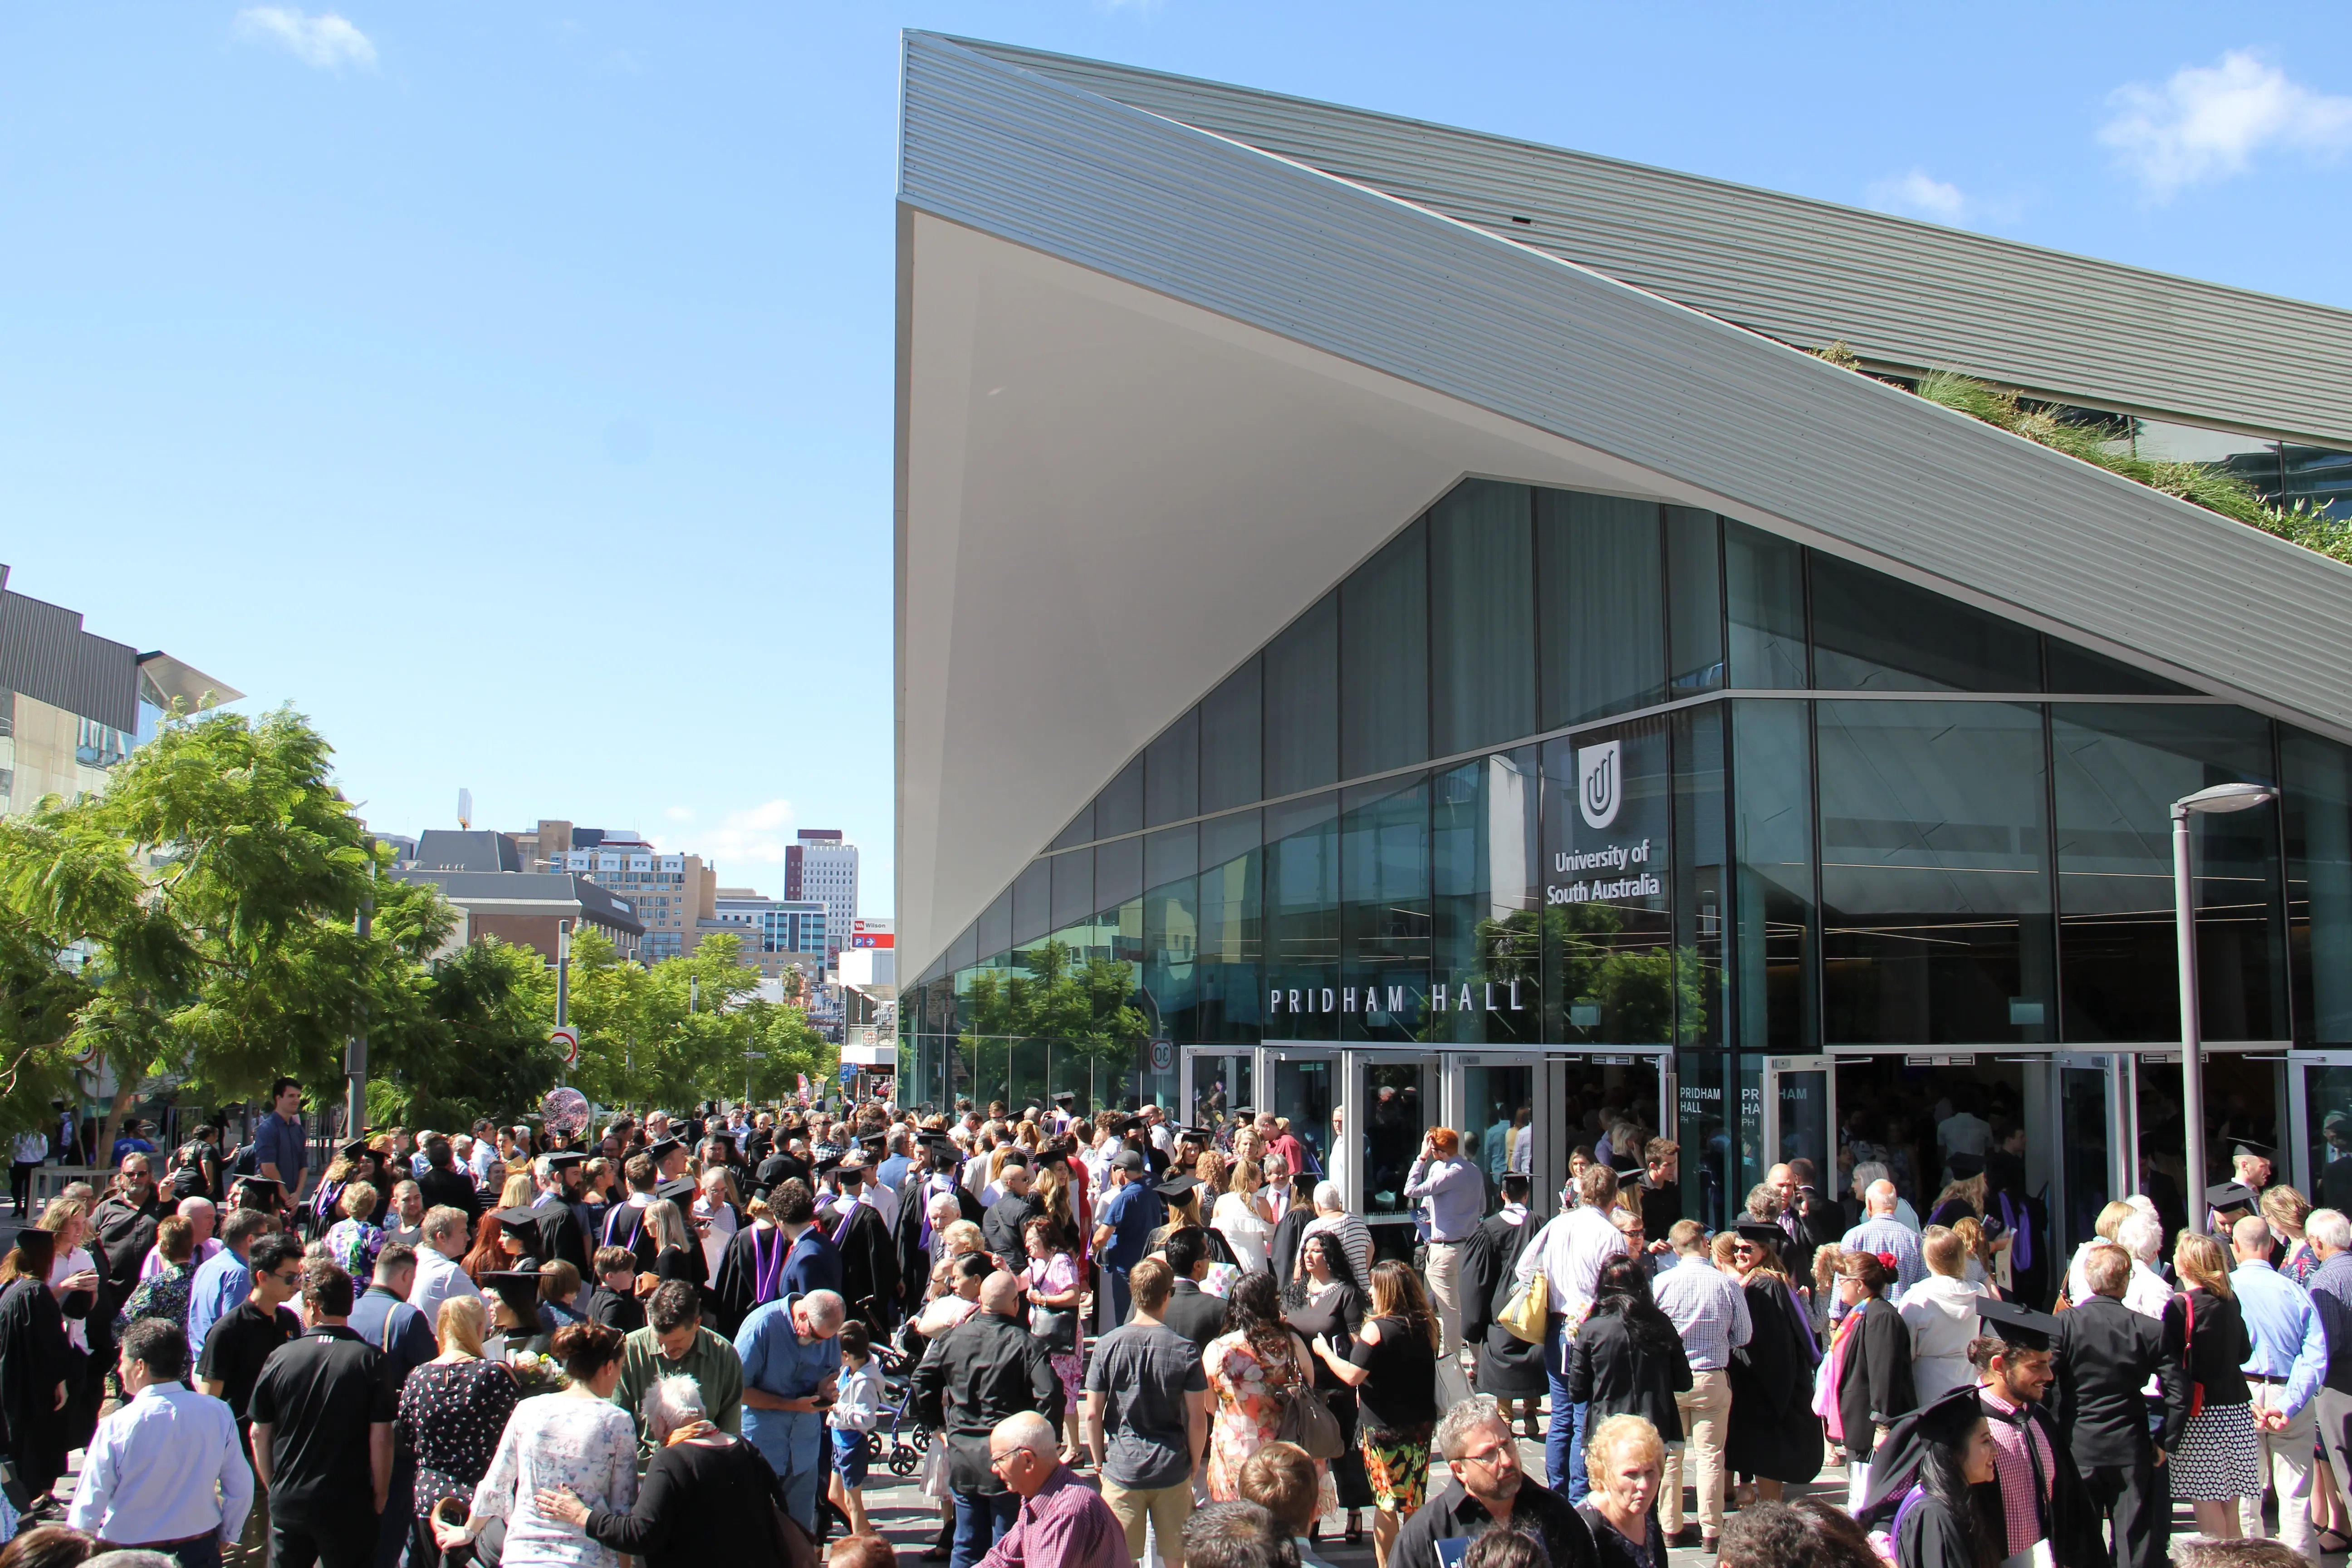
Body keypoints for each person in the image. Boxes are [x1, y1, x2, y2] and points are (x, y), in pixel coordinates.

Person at [529, 1372, 794, 1568]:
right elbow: (781, 1506)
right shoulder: (745, 1449)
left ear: (663, 1423)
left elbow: (641, 1534)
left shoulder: (672, 1460)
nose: (655, 1436)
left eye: (653, 1428)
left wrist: (583, 1515)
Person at [431, 1322, 636, 1568]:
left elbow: (498, 1479)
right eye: (620, 1367)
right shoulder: (617, 1422)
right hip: (585, 1558)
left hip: (523, 1555)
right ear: (609, 1367)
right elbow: (622, 1507)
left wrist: (469, 1531)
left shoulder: (528, 1409)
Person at [245, 1261, 397, 1568]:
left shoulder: (280, 1357)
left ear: (312, 1305)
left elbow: (259, 1431)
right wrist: (381, 1493)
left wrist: (274, 1485)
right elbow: (381, 1435)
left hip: (290, 1498)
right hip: (348, 1502)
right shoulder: (370, 1360)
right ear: (350, 1305)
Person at [65, 1319, 252, 1568]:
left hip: (129, 1556)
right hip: (198, 1548)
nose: (120, 1370)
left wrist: (78, 1554)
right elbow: (240, 1486)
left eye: (124, 1361)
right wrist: (229, 1534)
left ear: (140, 1366)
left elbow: (90, 1501)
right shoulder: (217, 1412)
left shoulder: (118, 1425)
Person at [912, 1271, 1064, 1568]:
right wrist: (1047, 1446)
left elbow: (921, 1381)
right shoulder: (1027, 1344)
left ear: (980, 1301)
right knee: (1008, 1544)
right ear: (1015, 1304)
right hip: (1011, 1458)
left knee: (967, 1543)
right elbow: (1050, 1395)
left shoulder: (953, 1339)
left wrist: (936, 1426)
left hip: (964, 1453)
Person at [1084, 1257, 1210, 1568]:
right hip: (1172, 1465)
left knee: (1120, 1558)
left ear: (1133, 1293)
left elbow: (1092, 1413)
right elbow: (1198, 1417)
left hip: (1123, 1467)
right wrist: (1194, 1463)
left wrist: (1099, 1460)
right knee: (1178, 1559)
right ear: (1168, 1295)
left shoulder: (1107, 1345)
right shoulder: (1185, 1349)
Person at [1313, 1260, 1439, 1568]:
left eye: (1374, 1286)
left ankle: (1388, 1565)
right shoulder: (1426, 1324)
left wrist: (1325, 1353)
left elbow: (1353, 1374)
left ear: (1387, 1291)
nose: (1370, 1292)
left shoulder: (1376, 1329)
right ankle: (1414, 1561)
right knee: (1413, 1500)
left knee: (1386, 1502)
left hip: (1383, 1429)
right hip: (1419, 1425)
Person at [1514, 1163, 1629, 1499]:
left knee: (1562, 1414)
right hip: (1590, 1324)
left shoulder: (1559, 1224)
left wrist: (1552, 1286)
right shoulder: (1609, 1234)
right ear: (1613, 1196)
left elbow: (1524, 1268)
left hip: (1556, 1324)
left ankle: (1558, 1490)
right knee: (1583, 1414)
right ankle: (1579, 1495)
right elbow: (1617, 1287)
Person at [195, 1233, 303, 1568]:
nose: (296, 1285)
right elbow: (208, 1398)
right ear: (262, 1276)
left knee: (277, 1542)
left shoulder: (288, 1322)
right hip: (242, 1453)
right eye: (289, 1277)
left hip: (283, 1448)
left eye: (299, 1276)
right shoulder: (229, 1330)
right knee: (246, 1546)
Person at [2224, 1211, 2325, 1558]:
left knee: (2247, 1496)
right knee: (2296, 1495)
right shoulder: (2295, 1291)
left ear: (2236, 1247)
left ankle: (2253, 1564)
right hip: (2288, 1390)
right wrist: (2288, 1404)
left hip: (2244, 1393)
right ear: (2270, 1247)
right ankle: (2302, 1564)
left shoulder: (2227, 1290)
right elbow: (2314, 1355)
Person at [1648, 1220, 1749, 1551]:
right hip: (1712, 1374)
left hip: (1672, 1378)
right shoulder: (1726, 1284)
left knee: (1672, 1455)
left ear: (1676, 1250)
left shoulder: (1661, 1283)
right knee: (1710, 1456)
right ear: (1705, 1244)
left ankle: (1671, 1528)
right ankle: (1712, 1530)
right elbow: (1745, 1336)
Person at [398, 1297, 518, 1568]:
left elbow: (407, 1436)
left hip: (428, 1499)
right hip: (480, 1506)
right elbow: (514, 1439)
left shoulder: (417, 1377)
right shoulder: (493, 1374)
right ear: (478, 1330)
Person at [2162, 1230, 2258, 1540]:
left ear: (2187, 1265)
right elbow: (2245, 1352)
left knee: (2205, 1499)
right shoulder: (2230, 1302)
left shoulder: (2180, 1305)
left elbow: (2170, 1363)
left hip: (2200, 1414)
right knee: (2231, 1504)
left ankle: (2216, 1562)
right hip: (2237, 1413)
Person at [735, 1286, 846, 1534]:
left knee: (799, 1533)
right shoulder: (762, 1327)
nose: (817, 1343)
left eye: (824, 1339)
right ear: (802, 1315)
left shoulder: (826, 1335)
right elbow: (737, 1390)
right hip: (763, 1445)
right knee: (757, 1532)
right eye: (814, 1335)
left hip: (803, 1449)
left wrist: (826, 1389)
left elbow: (832, 1371)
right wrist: (790, 1405)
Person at [1858, 1388, 2004, 1568]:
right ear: (1953, 1452)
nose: (1995, 1451)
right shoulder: (1934, 1515)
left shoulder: (1954, 1500)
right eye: (1985, 1441)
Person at [1568, 1257, 1691, 1463]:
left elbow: (1577, 1392)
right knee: (1648, 1492)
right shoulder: (1661, 1323)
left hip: (1607, 1427)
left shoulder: (1592, 1329)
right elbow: (1684, 1382)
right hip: (1654, 1426)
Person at [969, 1410, 1128, 1568]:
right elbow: (1003, 1559)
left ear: (1028, 1460)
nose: (995, 1469)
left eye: (1000, 1460)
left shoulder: (1068, 1510)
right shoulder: (1037, 1495)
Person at [612, 1280, 744, 1462]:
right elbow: (616, 1427)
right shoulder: (628, 1353)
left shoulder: (724, 1355)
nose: (667, 1349)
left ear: (698, 1323)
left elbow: (730, 1432)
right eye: (660, 1341)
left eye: (677, 1341)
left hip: (703, 1469)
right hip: (643, 1471)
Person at [1461, 1173, 1546, 1442]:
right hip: (1534, 1308)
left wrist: (1473, 1322)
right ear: (1527, 1195)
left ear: (1503, 1195)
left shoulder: (1488, 1229)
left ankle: (1506, 1416)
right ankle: (1532, 1410)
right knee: (1532, 1354)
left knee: (1503, 1358)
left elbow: (1477, 1280)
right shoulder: (1542, 1226)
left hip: (1501, 1309)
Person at [1830, 1248, 1915, 1511]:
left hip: (1872, 1424)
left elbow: (1884, 1374)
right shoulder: (1860, 1313)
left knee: (1870, 1497)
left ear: (1860, 1283)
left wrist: (1883, 1426)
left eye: (1843, 1281)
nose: (1840, 1287)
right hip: (1858, 1420)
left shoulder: (1881, 1317)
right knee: (1860, 1490)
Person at [0, 1228, 76, 1505]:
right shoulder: (36, 1293)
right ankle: (33, 1499)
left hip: (11, 1382)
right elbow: (50, 1344)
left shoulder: (9, 1288)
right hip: (33, 1387)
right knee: (36, 1444)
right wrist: (61, 1383)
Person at [1400, 1128, 1480, 1357]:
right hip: (1468, 1247)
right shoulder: (1474, 1172)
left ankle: (1452, 1366)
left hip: (1445, 1248)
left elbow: (1410, 1190)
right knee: (1466, 1309)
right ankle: (1477, 1361)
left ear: (1440, 1150)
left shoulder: (1447, 1174)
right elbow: (1482, 1207)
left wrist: (1421, 1158)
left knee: (1450, 1313)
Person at [1019, 1216, 1087, 1463]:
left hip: (1061, 1336)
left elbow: (1073, 1296)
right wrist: (1004, 1269)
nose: (1027, 1245)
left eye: (1031, 1240)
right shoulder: (1037, 1263)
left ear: (1045, 1238)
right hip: (1042, 1336)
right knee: (1052, 1388)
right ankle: (1058, 1442)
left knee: (1066, 1389)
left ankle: (1075, 1447)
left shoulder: (1060, 1262)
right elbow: (1019, 1283)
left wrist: (1043, 1300)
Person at [1899, 1227, 1989, 1403]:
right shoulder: (1980, 1292)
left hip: (1928, 1384)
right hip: (1967, 1378)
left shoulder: (1917, 1296)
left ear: (1929, 1260)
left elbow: (1905, 1348)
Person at [1577, 1412, 1666, 1568]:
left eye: (1650, 1472)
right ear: (1604, 1473)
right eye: (1631, 1474)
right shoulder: (1584, 1530)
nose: (1644, 1485)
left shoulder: (1644, 1508)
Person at [1093, 1150, 1165, 1333]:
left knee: (1125, 1320)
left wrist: (1094, 1251)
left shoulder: (1124, 1198)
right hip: (1147, 1266)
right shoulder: (1151, 1194)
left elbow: (1101, 1236)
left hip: (1125, 1269)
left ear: (1122, 1172)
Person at [827, 1321, 886, 1538]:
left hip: (851, 1444)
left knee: (853, 1502)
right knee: (835, 1495)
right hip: (839, 1440)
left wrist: (837, 1408)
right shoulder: (849, 1370)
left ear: (846, 1355)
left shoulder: (864, 1382)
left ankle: (865, 1545)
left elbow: (867, 1420)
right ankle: (867, 1533)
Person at [1838, 1181, 1926, 1303]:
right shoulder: (1914, 1239)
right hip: (1904, 1316)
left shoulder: (1854, 1237)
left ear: (1868, 1204)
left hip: (1867, 1315)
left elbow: (1843, 1283)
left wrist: (1835, 1318)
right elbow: (1922, 1283)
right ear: (1895, 1205)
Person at [405, 1208, 483, 1323]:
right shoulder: (449, 1273)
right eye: (462, 1232)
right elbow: (487, 1315)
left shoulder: (416, 1258)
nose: (468, 1237)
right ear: (442, 1237)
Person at [1212, 1153, 1275, 1276]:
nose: (1261, 1181)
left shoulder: (1221, 1201)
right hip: (1255, 1265)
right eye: (1259, 1178)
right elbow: (1272, 1236)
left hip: (1228, 1265)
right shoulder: (1262, 1203)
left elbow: (1214, 1237)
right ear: (1250, 1181)